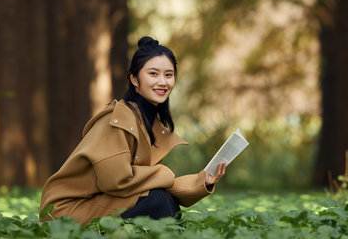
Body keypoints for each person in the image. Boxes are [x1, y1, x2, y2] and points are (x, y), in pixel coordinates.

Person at [39, 36, 226, 225]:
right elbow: (116, 182)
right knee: (158, 200)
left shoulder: (149, 123)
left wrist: (203, 181)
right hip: (65, 214)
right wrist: (161, 173)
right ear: (134, 79)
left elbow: (152, 184)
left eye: (168, 75)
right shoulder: (118, 119)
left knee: (159, 197)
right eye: (153, 74)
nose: (163, 82)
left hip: (100, 202)